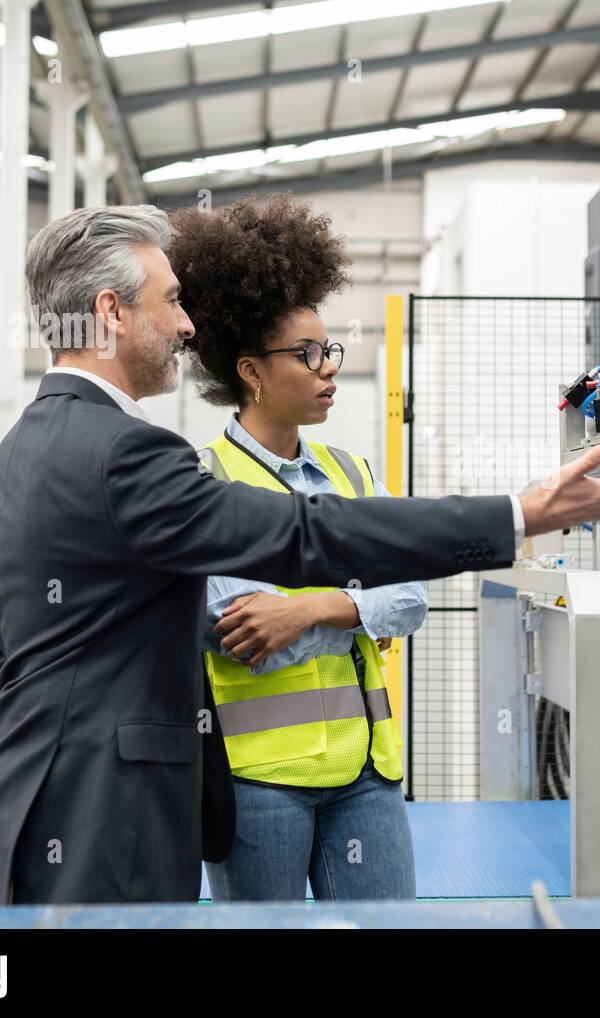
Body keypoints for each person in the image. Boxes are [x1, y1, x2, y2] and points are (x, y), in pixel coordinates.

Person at [0, 204, 600, 906]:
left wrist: (310, 611)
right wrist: (518, 514)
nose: (187, 326)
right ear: (112, 312)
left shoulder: (16, 457)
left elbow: (11, 651)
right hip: (107, 817)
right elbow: (306, 536)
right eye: (173, 302)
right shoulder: (128, 453)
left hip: (24, 805)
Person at [167, 196, 427, 901]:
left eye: (330, 350)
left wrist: (311, 609)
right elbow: (245, 634)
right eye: (307, 354)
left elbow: (411, 598)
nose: (328, 368)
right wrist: (355, 605)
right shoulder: (202, 482)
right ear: (250, 371)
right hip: (258, 781)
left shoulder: (353, 474)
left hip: (367, 774)